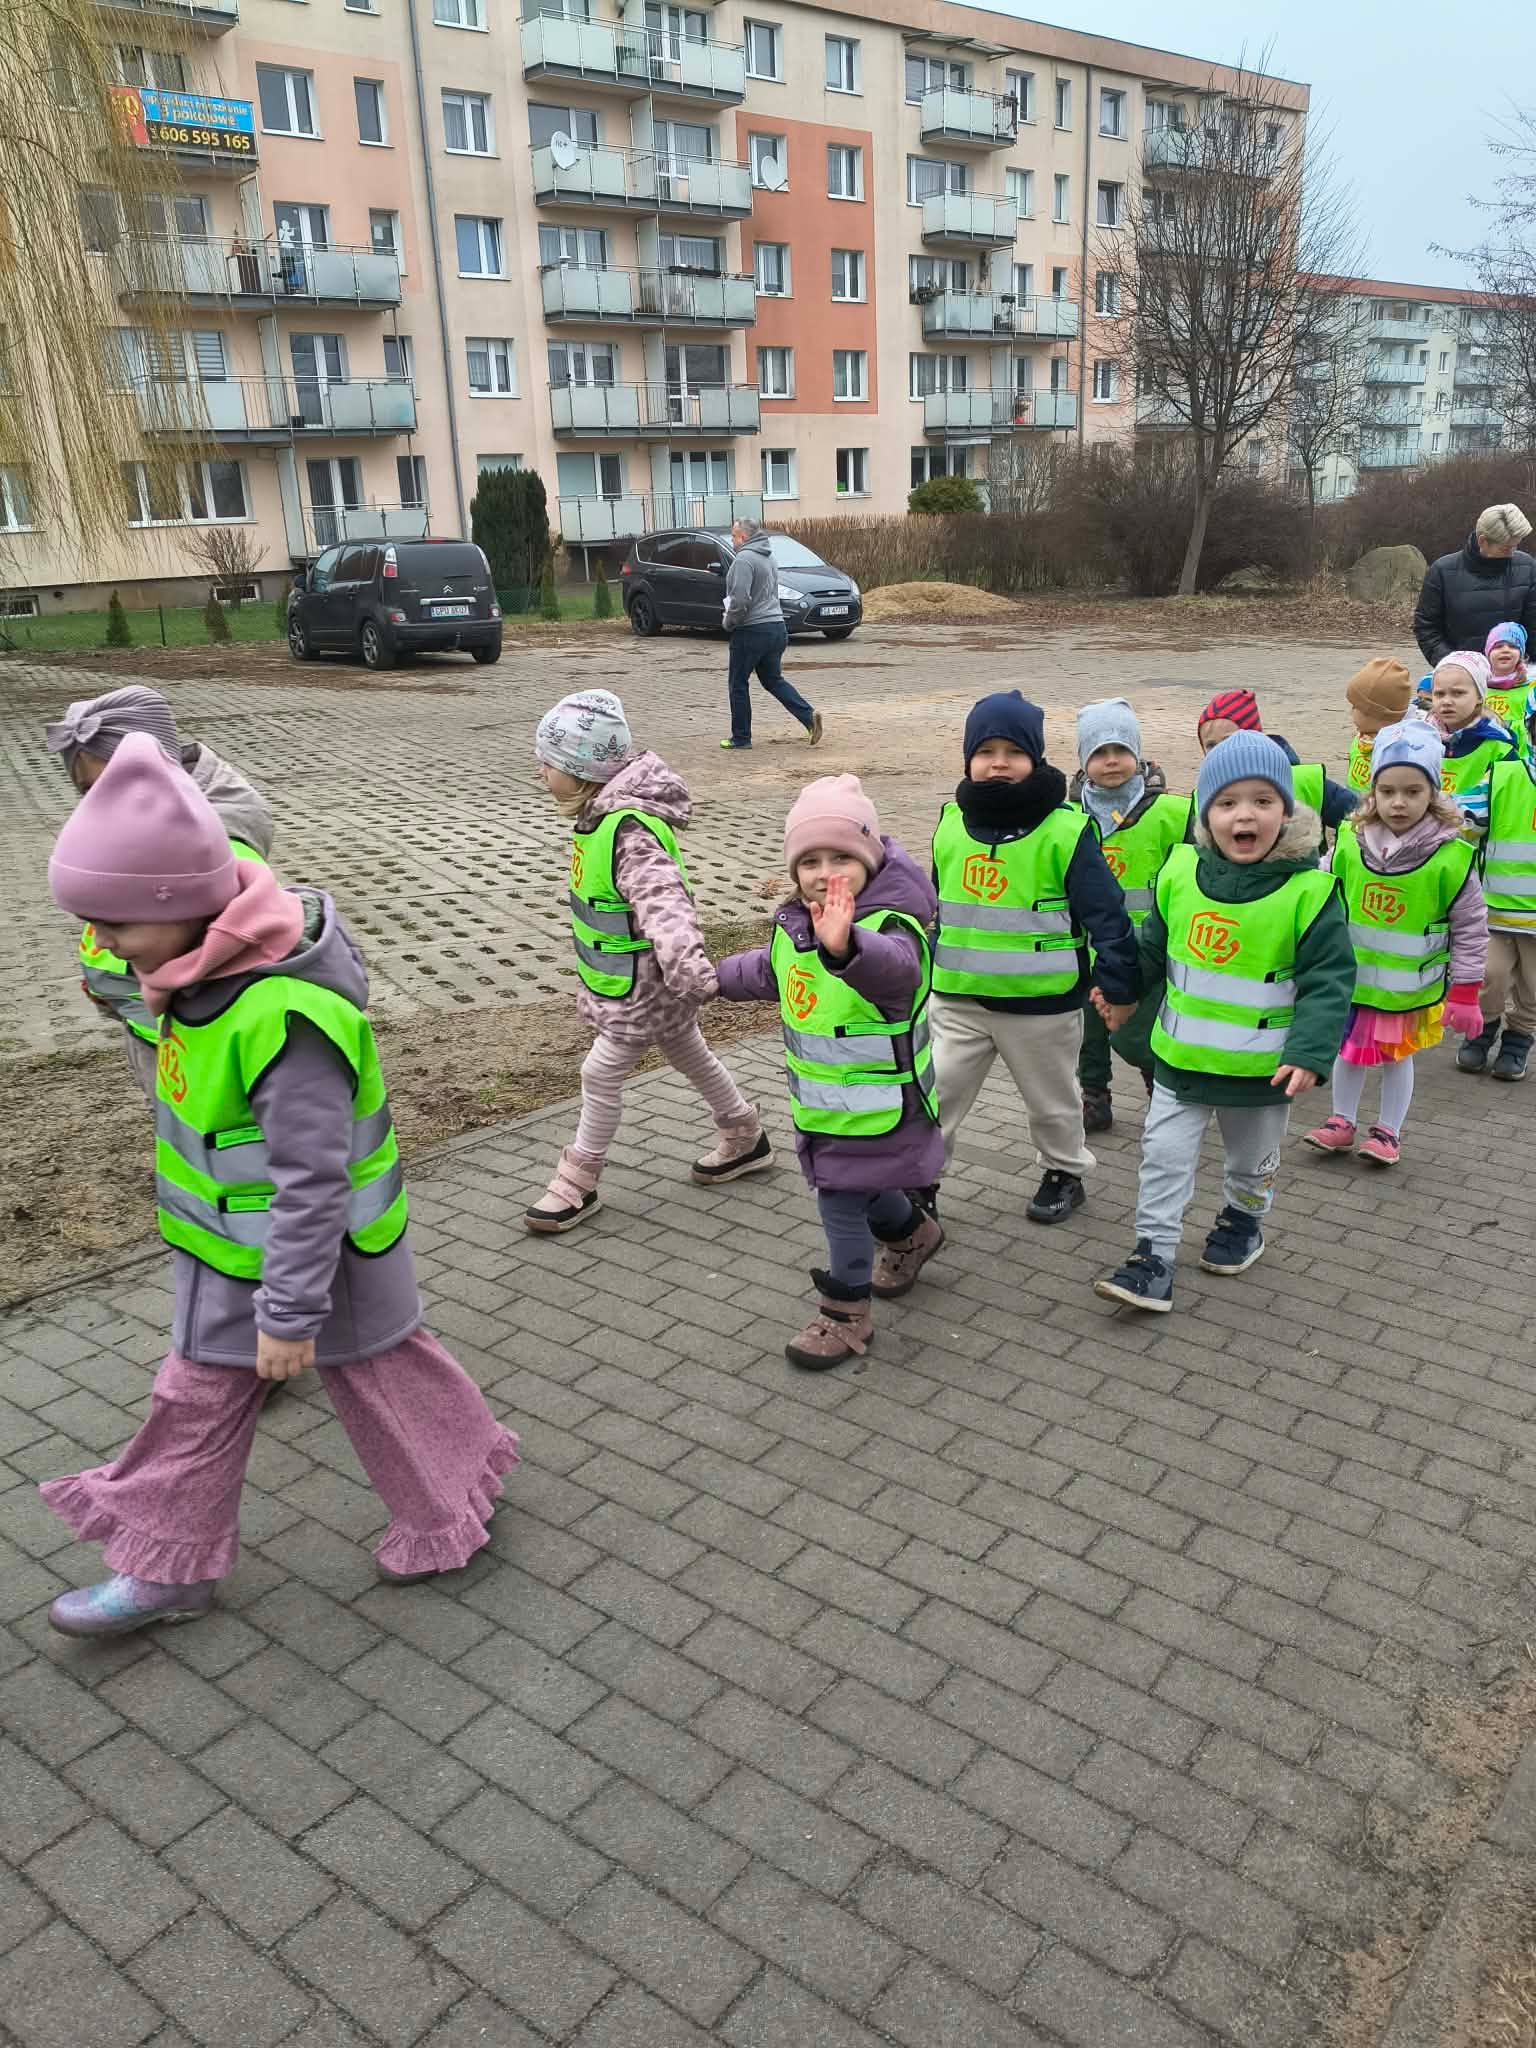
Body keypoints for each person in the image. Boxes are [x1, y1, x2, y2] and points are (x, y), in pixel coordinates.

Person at [39, 734, 520, 1637]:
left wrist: (289, 1314)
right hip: (227, 1258)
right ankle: (169, 1566)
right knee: (211, 1400)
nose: (102, 946)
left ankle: (444, 1507)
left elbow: (314, 1181)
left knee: (381, 1383)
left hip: (311, 1269)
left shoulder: (285, 1019)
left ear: (185, 907)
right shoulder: (190, 980)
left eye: (117, 927)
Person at [1092, 734, 1354, 1315]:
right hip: (1180, 1061)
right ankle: (1152, 1257)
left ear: (1286, 811)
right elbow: (1151, 949)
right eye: (1228, 802)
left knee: (1249, 1163)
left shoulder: (1311, 894)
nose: (1245, 815)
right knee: (1162, 1157)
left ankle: (1243, 1222)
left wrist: (1310, 1053)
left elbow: (1330, 982)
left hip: (1262, 1070)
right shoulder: (1180, 873)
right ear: (1207, 814)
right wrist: (1119, 989)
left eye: (1263, 801)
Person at [714, 775, 944, 1368]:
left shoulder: (892, 926)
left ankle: (845, 1315)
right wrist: (710, 978)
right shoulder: (799, 924)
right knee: (866, 1188)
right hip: (827, 1110)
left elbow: (897, 971)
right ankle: (912, 1234)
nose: (824, 873)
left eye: (841, 857)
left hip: (884, 1109)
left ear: (869, 859)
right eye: (809, 861)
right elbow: (770, 969)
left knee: (840, 1202)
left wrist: (846, 948)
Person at [527, 689, 770, 1231]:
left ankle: (578, 1180)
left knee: (599, 1074)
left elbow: (666, 906)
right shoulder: (600, 822)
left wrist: (691, 970)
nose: (539, 771)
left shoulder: (629, 832)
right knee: (689, 1052)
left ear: (581, 769)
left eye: (548, 761)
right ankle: (744, 1134)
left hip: (649, 987)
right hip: (633, 984)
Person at [926, 690, 1138, 1223]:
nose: (999, 763)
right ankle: (918, 1183)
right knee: (935, 1097)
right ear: (968, 758)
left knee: (1052, 1103)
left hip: (1042, 1007)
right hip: (957, 1000)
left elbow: (1106, 913)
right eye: (986, 751)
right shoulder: (949, 822)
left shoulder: (1066, 830)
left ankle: (1065, 1172)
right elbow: (936, 908)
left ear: (1036, 759)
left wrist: (1118, 984)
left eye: (1014, 752)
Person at [45, 686, 275, 1098]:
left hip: (197, 1046)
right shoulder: (137, 822)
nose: (101, 802)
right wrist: (105, 978)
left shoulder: (207, 847)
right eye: (87, 792)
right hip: (155, 1032)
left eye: (111, 785)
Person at [1303, 720, 1485, 1166]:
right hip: (1351, 980)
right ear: (1372, 792)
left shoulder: (1450, 858)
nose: (1398, 802)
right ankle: (1341, 1121)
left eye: (1412, 791)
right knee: (1348, 1053)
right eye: (1387, 791)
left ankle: (1388, 1131)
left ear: (1434, 793)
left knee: (1396, 1058)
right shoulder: (1349, 844)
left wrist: (1466, 990)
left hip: (1407, 990)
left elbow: (1470, 926)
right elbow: (1318, 897)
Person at [1068, 696, 1191, 1132]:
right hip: (1084, 948)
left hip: (1148, 951)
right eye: (1099, 752)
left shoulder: (1172, 814)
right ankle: (1093, 1095)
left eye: (1120, 749)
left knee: (1143, 1030)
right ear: (1084, 760)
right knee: (1088, 1031)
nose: (1111, 760)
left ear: (1137, 754)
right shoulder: (1068, 817)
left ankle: (1160, 1086)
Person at [1460, 693, 1536, 1081]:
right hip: (1496, 909)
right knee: (1489, 975)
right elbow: (1465, 816)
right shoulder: (1505, 775)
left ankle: (1518, 1040)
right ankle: (1482, 1030)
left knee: (1533, 990)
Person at [719, 519, 822, 752]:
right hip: (776, 627)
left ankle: (741, 737)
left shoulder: (744, 560)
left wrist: (729, 621)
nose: (732, 540)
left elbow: (740, 599)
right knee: (773, 680)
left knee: (738, 683)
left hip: (751, 630)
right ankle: (809, 718)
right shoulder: (769, 558)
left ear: (744, 537)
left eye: (734, 536)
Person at [1195, 687, 1356, 831]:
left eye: (1229, 740)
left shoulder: (1304, 781)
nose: (1220, 751)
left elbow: (1358, 816)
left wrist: (1337, 852)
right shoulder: (1205, 794)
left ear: (1254, 739)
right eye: (1211, 745)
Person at [1413, 503, 1536, 667]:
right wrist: (1453, 664)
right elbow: (1426, 627)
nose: (1513, 552)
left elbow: (1533, 627)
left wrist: (1527, 666)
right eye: (1506, 548)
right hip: (1460, 674)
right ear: (1482, 541)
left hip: (1517, 674)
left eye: (1516, 545)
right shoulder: (1442, 571)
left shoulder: (1528, 567)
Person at [1429, 652, 1517, 831]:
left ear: (1479, 697)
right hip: (1425, 841)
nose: (1446, 701)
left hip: (1474, 839)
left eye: (1458, 693)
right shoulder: (1420, 740)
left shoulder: (1499, 747)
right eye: (1439, 694)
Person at [1344, 658, 1415, 795]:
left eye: (1355, 707)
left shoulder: (1398, 752)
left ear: (1375, 714)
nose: (1351, 712)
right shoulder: (1361, 739)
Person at [1484, 623, 1534, 757]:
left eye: (1513, 646)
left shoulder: (1531, 688)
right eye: (1498, 646)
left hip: (1521, 757)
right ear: (1488, 652)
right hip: (1485, 756)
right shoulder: (1476, 687)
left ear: (1521, 653)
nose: (1505, 650)